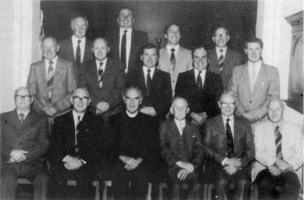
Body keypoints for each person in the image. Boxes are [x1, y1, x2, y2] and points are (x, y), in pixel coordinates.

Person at [49, 88, 103, 199]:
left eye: (84, 98)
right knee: (57, 177)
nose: (80, 101)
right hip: (64, 163)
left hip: (86, 163)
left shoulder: (97, 121)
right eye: (77, 98)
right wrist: (67, 158)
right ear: (71, 100)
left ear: (89, 102)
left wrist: (80, 161)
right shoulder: (60, 120)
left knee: (85, 177)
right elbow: (54, 147)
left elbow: (99, 148)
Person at [202, 91, 255, 200]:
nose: (228, 107)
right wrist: (226, 160)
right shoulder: (210, 123)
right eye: (224, 103)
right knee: (222, 182)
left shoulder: (245, 123)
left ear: (235, 106)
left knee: (244, 182)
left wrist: (237, 165)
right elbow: (206, 148)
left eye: (231, 104)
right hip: (217, 165)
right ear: (219, 104)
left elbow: (250, 150)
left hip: (239, 166)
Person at [0, 87, 49, 200]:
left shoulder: (41, 119)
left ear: (31, 100)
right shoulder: (2, 118)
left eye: (26, 96)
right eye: (19, 96)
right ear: (15, 99)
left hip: (33, 163)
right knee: (6, 178)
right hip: (9, 162)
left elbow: (43, 145)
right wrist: (11, 153)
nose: (22, 99)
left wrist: (24, 156)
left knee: (43, 179)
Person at [109, 86, 156, 200]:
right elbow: (109, 147)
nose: (132, 102)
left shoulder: (149, 121)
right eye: (129, 98)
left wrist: (138, 161)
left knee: (141, 177)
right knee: (119, 177)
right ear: (124, 99)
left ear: (140, 100)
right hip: (120, 161)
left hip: (141, 162)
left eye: (135, 99)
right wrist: (124, 158)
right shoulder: (114, 120)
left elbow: (151, 147)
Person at [252, 98, 302, 200]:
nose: (274, 113)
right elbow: (259, 153)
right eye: (271, 109)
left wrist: (283, 167)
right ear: (267, 111)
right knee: (264, 184)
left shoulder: (295, 128)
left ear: (283, 110)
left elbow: (300, 155)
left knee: (290, 186)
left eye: (277, 109)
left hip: (289, 169)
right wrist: (277, 162)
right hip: (266, 168)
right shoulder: (259, 129)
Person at [228, 37, 280, 125]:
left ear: (261, 50)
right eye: (250, 49)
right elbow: (232, 95)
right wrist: (243, 113)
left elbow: (273, 97)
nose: (254, 52)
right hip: (240, 122)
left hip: (262, 122)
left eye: (257, 49)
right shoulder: (237, 71)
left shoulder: (272, 71)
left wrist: (257, 114)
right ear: (245, 51)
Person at [160, 97, 204, 200]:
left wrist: (190, 166)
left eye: (183, 107)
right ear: (171, 110)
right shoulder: (164, 126)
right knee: (175, 186)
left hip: (190, 168)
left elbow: (200, 151)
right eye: (177, 107)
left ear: (188, 110)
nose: (180, 110)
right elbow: (162, 148)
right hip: (172, 167)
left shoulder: (194, 127)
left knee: (197, 185)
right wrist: (179, 163)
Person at [27, 36, 77, 119]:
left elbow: (72, 92)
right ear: (42, 48)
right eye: (45, 47)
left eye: (52, 47)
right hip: (40, 116)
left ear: (57, 48)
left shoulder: (67, 65)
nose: (49, 50)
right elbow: (30, 94)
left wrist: (57, 108)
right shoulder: (34, 67)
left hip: (62, 115)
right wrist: (42, 109)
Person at [79, 37, 126, 121]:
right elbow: (83, 89)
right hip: (93, 112)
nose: (100, 51)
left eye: (103, 48)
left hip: (113, 113)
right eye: (96, 48)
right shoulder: (85, 66)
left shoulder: (118, 65)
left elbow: (120, 89)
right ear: (92, 50)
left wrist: (107, 105)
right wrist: (96, 104)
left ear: (108, 49)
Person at [175, 46, 223, 125]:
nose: (200, 60)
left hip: (210, 122)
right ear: (192, 60)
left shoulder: (216, 78)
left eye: (203, 57)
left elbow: (219, 102)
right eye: (196, 57)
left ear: (208, 60)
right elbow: (178, 101)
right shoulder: (183, 77)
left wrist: (206, 115)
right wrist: (193, 115)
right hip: (188, 122)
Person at [127, 42, 172, 121]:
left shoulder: (165, 76)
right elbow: (126, 98)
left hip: (157, 119)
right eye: (146, 55)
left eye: (153, 55)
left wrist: (156, 110)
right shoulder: (131, 75)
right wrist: (140, 110)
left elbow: (168, 100)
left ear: (157, 57)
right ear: (141, 57)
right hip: (136, 118)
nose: (150, 58)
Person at [105, 7, 148, 74]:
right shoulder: (109, 36)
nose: (126, 18)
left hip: (135, 78)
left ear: (133, 20)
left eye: (129, 15)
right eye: (122, 15)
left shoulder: (142, 36)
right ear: (118, 20)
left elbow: (145, 58)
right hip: (114, 77)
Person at [158, 24, 192, 96]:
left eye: (177, 32)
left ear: (180, 36)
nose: (174, 34)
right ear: (166, 35)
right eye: (171, 32)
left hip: (183, 95)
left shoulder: (189, 54)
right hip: (162, 95)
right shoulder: (157, 53)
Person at [59, 15, 94, 84]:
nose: (80, 28)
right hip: (66, 89)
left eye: (83, 25)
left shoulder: (93, 46)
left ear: (86, 27)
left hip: (87, 89)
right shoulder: (61, 45)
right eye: (77, 25)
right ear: (72, 27)